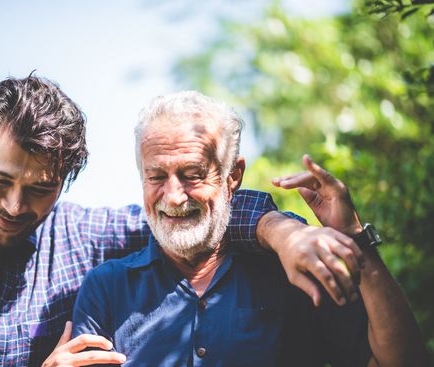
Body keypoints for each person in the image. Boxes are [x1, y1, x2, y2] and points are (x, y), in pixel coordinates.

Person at [0, 75, 364, 367]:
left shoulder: (82, 237)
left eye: (39, 189)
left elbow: (198, 212)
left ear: (66, 181)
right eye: (0, 180)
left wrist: (284, 234)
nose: (13, 206)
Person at [72, 91, 428, 366]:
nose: (175, 196)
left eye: (193, 175)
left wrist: (355, 240)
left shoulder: (292, 269)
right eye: (156, 176)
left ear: (233, 177)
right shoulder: (107, 287)